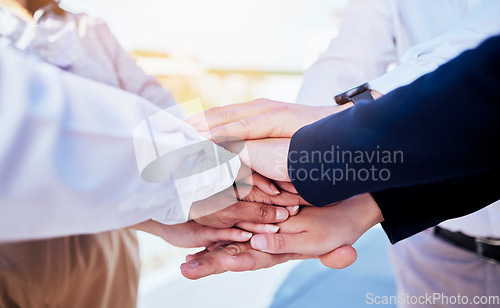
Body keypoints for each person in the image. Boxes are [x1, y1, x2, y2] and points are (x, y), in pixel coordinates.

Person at [186, 1, 500, 304]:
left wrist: (320, 147)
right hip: (433, 247)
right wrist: (306, 173)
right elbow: (348, 56)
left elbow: (485, 70)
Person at [0, 1, 302, 307]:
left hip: (110, 238)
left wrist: (224, 170)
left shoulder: (89, 30)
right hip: (13, 250)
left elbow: (168, 116)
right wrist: (205, 181)